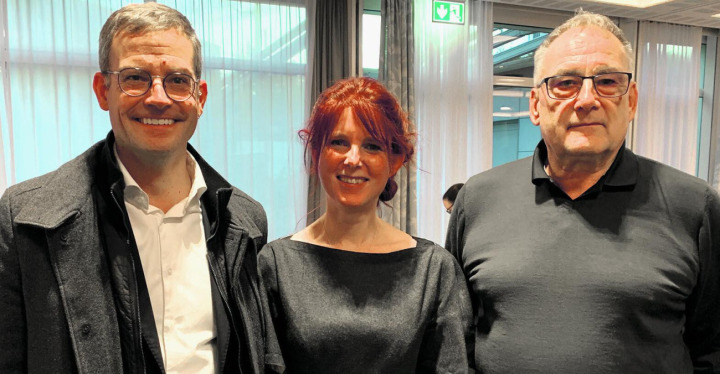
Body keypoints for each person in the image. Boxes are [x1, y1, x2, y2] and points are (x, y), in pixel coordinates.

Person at [0, 3, 282, 373]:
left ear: (200, 97)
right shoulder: (26, 224)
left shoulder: (244, 221)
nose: (158, 98)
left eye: (178, 81)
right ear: (103, 90)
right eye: (135, 77)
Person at [446, 10, 720, 373]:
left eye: (607, 81)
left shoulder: (695, 207)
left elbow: (713, 350)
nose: (587, 99)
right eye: (565, 83)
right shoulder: (478, 200)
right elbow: (455, 341)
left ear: (632, 100)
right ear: (535, 105)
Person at [259, 77, 472, 373]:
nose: (353, 159)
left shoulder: (433, 269)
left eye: (372, 146)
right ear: (317, 153)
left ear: (394, 161)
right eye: (338, 143)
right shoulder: (276, 265)